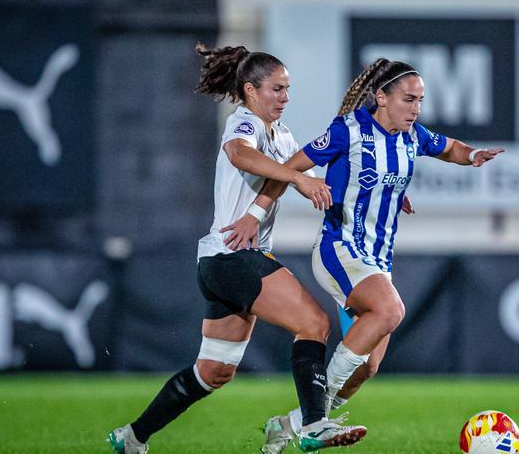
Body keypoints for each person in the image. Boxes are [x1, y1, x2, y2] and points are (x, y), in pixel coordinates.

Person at [219, 57, 504, 453]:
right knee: (390, 310)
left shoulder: (412, 136)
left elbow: (450, 148)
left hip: (377, 260)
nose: (416, 109)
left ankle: (289, 424)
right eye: (408, 99)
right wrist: (254, 214)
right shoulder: (348, 131)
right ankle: (317, 423)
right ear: (381, 97)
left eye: (420, 100)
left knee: (367, 366)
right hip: (339, 248)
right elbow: (290, 169)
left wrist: (472, 156)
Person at [106, 43, 366, 453]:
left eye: (288, 89)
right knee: (313, 323)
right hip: (233, 255)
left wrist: (375, 189)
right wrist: (296, 178)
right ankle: (314, 424)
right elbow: (239, 154)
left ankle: (132, 437)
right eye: (277, 89)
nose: (285, 97)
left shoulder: (283, 136)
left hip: (221, 262)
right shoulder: (244, 121)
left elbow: (310, 179)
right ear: (250, 90)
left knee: (213, 372)